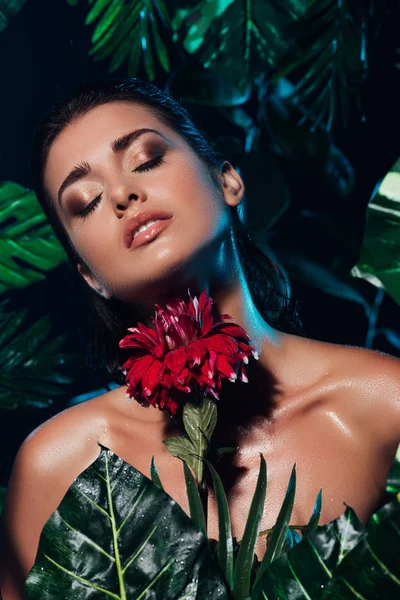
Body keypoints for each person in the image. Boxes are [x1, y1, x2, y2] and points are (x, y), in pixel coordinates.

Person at [0, 77, 399, 598]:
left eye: (146, 159)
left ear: (227, 178)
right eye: (87, 201)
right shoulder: (59, 466)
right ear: (87, 274)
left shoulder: (383, 404)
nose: (122, 194)